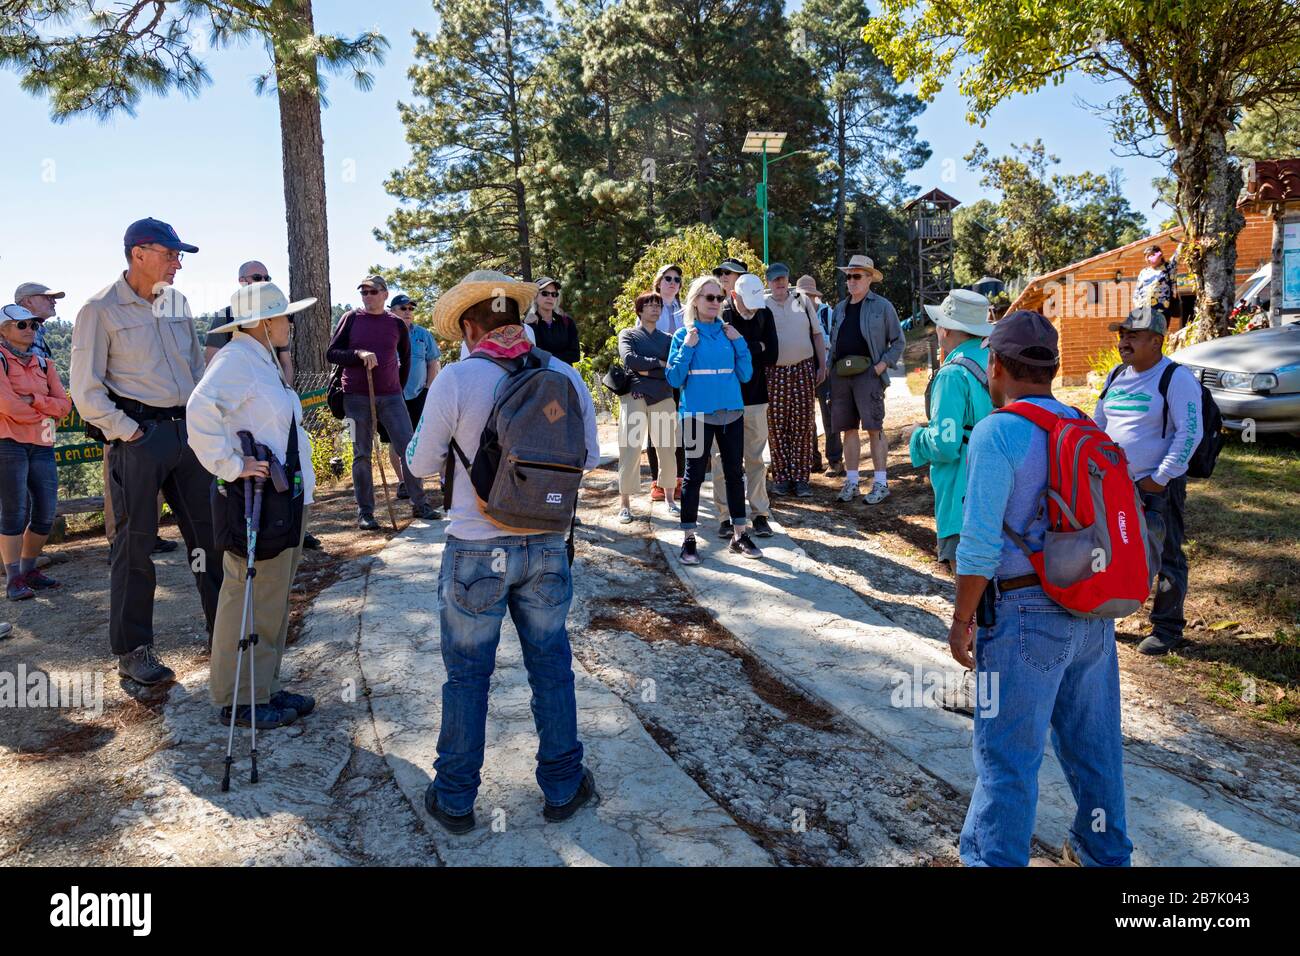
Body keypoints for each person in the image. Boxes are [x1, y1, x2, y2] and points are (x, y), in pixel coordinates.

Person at [405, 269, 600, 834]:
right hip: (546, 544)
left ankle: (457, 798)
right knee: (551, 666)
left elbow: (420, 463)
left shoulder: (457, 380)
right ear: (516, 315)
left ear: (469, 327)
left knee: (468, 676)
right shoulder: (561, 373)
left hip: (474, 547)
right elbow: (586, 457)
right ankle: (563, 786)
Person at [947, 309, 1132, 868]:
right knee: (1095, 750)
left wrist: (962, 621)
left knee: (1007, 759)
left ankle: (992, 861)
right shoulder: (1081, 424)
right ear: (1050, 369)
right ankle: (1104, 854)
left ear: (996, 365)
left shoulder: (997, 432)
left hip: (1024, 615)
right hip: (1092, 613)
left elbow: (978, 546)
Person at [69, 217, 224, 686]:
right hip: (138, 440)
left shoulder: (178, 303)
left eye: (180, 255)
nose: (178, 263)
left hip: (188, 435)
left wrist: (203, 421)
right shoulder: (98, 310)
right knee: (133, 548)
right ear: (138, 253)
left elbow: (197, 367)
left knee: (211, 539)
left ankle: (226, 632)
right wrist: (129, 432)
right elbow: (85, 390)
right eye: (170, 253)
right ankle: (134, 651)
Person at [186, 282, 318, 728]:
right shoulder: (237, 360)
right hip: (254, 502)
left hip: (282, 498)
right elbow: (200, 409)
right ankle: (238, 698)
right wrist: (230, 464)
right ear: (264, 322)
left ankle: (264, 687)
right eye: (284, 316)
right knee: (248, 593)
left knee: (272, 597)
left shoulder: (260, 359)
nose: (290, 324)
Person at [1094, 306, 1201, 656]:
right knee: (1114, 550)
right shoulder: (1116, 375)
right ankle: (1104, 615)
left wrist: (1160, 478)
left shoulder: (1176, 378)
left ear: (1156, 341)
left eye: (1133, 336)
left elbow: (1190, 433)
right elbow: (1099, 423)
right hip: (1115, 486)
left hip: (1156, 488)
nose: (1124, 341)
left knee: (1165, 554)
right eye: (1122, 335)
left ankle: (1168, 629)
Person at [326, 274, 437, 528]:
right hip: (355, 397)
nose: (367, 297)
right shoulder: (351, 319)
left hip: (391, 396)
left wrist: (396, 384)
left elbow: (406, 358)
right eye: (363, 292)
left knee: (408, 447)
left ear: (385, 294)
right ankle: (366, 513)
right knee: (361, 454)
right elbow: (332, 353)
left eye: (372, 292)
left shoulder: (395, 324)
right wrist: (358, 354)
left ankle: (420, 504)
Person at [667, 275, 760, 563]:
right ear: (695, 300)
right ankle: (689, 539)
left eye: (719, 298)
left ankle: (739, 535)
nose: (715, 303)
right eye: (709, 297)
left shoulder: (729, 333)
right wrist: (687, 348)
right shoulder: (684, 336)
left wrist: (740, 342)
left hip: (731, 414)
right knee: (693, 477)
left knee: (734, 474)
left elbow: (746, 374)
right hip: (696, 416)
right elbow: (673, 377)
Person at [909, 290, 995, 571]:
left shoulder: (951, 374)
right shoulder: (995, 361)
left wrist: (918, 439)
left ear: (945, 330)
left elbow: (946, 444)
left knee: (968, 589)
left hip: (961, 495)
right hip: (996, 491)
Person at [0, 304, 71, 601]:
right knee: (14, 511)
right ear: (3, 330)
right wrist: (44, 409)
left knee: (44, 510)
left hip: (42, 443)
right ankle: (13, 578)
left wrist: (32, 400)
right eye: (22, 325)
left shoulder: (44, 363)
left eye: (33, 325)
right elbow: (7, 406)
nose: (30, 329)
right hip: (8, 442)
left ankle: (30, 571)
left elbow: (64, 406)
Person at [827, 254, 902, 505]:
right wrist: (830, 371)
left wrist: (881, 366)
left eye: (857, 276)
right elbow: (833, 342)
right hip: (841, 375)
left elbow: (898, 342)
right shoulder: (839, 308)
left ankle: (880, 483)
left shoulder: (883, 307)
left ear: (870, 278)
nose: (851, 281)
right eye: (848, 276)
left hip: (868, 375)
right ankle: (852, 482)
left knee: (874, 428)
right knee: (848, 430)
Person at [710, 258, 777, 539]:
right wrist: (754, 347)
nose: (752, 309)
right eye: (746, 302)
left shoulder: (764, 314)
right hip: (725, 399)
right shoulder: (721, 314)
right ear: (734, 295)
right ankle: (725, 517)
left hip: (756, 397)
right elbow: (724, 354)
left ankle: (760, 514)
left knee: (756, 460)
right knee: (722, 460)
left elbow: (772, 354)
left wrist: (743, 344)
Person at [764, 263, 826, 498]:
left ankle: (801, 479)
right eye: (774, 279)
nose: (779, 283)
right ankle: (781, 478)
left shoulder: (801, 300)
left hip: (803, 368)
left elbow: (817, 334)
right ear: (768, 282)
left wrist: (822, 365)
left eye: (782, 278)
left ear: (788, 279)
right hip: (774, 372)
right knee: (777, 427)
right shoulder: (763, 304)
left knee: (802, 424)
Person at [616, 291, 679, 521]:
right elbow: (629, 360)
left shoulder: (668, 339)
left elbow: (672, 367)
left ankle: (670, 498)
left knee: (667, 449)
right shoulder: (628, 334)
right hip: (634, 396)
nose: (654, 308)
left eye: (658, 305)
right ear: (639, 310)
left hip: (663, 396)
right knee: (630, 449)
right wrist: (658, 363)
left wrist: (648, 369)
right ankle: (625, 504)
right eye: (649, 305)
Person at [385, 294, 440, 505]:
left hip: (418, 395)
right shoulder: (386, 335)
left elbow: (432, 362)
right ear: (392, 311)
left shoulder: (423, 335)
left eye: (410, 308)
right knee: (393, 441)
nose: (408, 311)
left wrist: (428, 389)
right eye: (402, 308)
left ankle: (418, 478)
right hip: (391, 396)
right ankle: (402, 482)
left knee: (420, 437)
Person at [203, 260, 294, 385]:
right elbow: (211, 365)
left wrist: (286, 392)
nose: (263, 281)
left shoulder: (277, 315)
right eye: (257, 277)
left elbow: (285, 362)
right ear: (242, 281)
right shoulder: (225, 317)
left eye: (267, 278)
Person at [647, 264, 687, 501]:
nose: (673, 282)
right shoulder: (650, 306)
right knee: (657, 429)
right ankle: (658, 482)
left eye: (677, 279)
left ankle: (678, 480)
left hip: (681, 379)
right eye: (668, 278)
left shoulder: (685, 310)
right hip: (656, 377)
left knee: (679, 430)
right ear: (659, 282)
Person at [796, 274, 843, 476]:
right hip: (802, 370)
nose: (806, 298)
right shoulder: (793, 313)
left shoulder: (827, 313)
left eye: (809, 295)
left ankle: (834, 460)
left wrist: (827, 365)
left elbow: (835, 341)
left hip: (827, 369)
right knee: (806, 417)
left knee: (829, 415)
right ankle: (812, 459)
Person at [524, 277, 581, 365]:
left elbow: (575, 355)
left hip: (565, 373)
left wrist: (548, 358)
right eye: (545, 293)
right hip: (540, 375)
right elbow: (533, 355)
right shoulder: (529, 324)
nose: (550, 297)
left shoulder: (567, 322)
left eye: (554, 294)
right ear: (535, 296)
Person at [13, 282, 63, 360]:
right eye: (49, 297)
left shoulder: (28, 329)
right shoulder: (20, 331)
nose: (54, 302)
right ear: (28, 301)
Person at [1133, 242, 1181, 314]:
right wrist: (1138, 306)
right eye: (1147, 256)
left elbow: (1178, 254)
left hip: (1161, 311)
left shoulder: (1168, 268)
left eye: (1152, 255)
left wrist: (1183, 242)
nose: (1150, 258)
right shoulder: (1143, 272)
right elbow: (1137, 292)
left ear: (1160, 255)